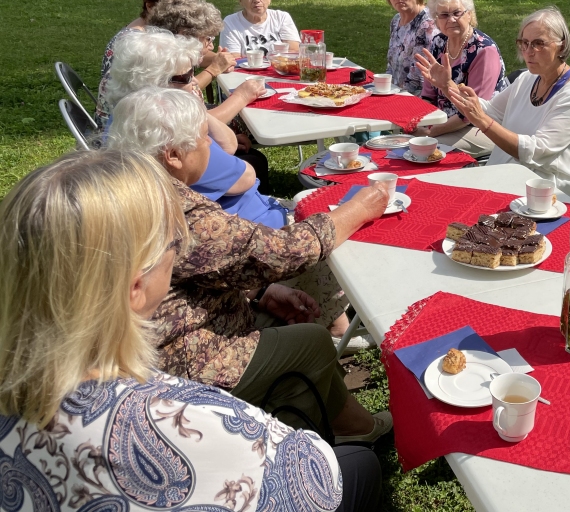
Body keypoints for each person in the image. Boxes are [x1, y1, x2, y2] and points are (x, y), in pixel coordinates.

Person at [0, 149, 381, 512]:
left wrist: (257, 291)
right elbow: (316, 483)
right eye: (174, 244)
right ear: (136, 286)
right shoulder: (185, 419)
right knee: (360, 466)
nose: (180, 254)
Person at [107, 88, 394, 446]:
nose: (209, 148)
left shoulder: (118, 182)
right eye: (203, 141)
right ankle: (314, 438)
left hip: (155, 341)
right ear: (174, 155)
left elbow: (195, 270)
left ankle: (337, 421)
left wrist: (258, 293)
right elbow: (288, 251)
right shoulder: (171, 208)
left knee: (295, 325)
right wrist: (359, 208)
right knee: (312, 340)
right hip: (172, 366)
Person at [106, 29, 286, 227]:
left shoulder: (125, 116)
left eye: (193, 72)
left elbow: (228, 145)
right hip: (246, 226)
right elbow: (246, 178)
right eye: (185, 77)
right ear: (157, 82)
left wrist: (189, 104)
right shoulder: (167, 133)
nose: (194, 81)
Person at [422, 6, 570, 201]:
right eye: (524, 43)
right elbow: (489, 110)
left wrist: (483, 122)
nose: (528, 52)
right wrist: (448, 87)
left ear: (561, 46)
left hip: (545, 193)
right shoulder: (528, 78)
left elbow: (537, 152)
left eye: (539, 44)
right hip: (505, 176)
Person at [148, 0, 269, 185]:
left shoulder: (157, 64)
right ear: (185, 36)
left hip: (178, 155)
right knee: (254, 163)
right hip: (180, 168)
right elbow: (198, 128)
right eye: (207, 39)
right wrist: (242, 96)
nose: (211, 47)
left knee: (254, 157)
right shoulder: (174, 79)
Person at [415, 0, 509, 157]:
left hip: (482, 127)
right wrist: (421, 124)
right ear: (436, 19)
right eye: (443, 15)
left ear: (469, 14)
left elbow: (472, 113)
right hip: (443, 122)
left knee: (427, 149)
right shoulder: (439, 43)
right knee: (407, 137)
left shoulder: (484, 51)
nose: (451, 20)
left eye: (457, 13)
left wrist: (431, 132)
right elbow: (428, 96)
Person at [95, 0, 189, 126]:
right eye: (172, 9)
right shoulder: (141, 44)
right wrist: (212, 70)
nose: (180, 15)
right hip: (122, 125)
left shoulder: (144, 31)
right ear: (150, 6)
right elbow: (171, 93)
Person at [383, 0, 437, 95]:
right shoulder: (396, 20)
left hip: (416, 99)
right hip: (393, 92)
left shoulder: (427, 24)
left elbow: (418, 79)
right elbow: (391, 66)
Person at [220, 0, 300, 56]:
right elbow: (233, 59)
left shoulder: (281, 18)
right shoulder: (231, 23)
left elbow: (293, 52)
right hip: (244, 69)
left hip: (279, 68)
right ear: (240, 0)